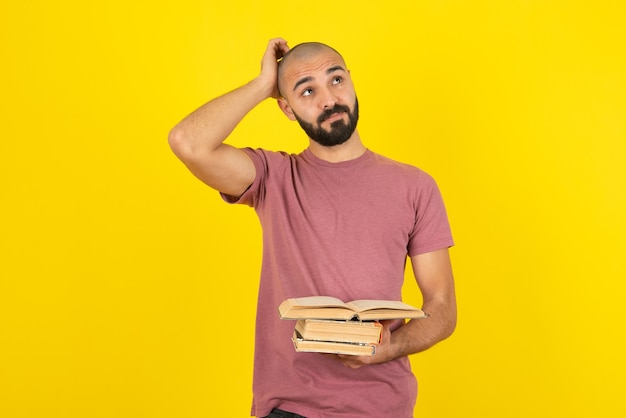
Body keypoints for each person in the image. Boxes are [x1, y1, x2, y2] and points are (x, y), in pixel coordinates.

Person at [169, 38, 457, 418]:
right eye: (307, 90)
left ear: (351, 82)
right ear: (286, 108)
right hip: (289, 408)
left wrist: (388, 348)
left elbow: (442, 308)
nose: (328, 99)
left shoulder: (416, 186)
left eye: (336, 80)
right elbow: (187, 143)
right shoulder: (273, 177)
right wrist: (262, 84)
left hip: (383, 406)